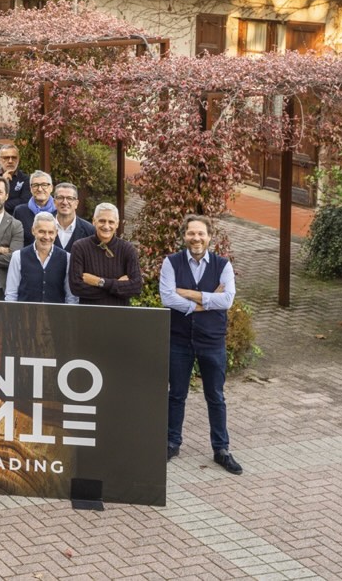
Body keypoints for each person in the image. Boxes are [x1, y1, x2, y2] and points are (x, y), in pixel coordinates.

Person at [160, 214, 242, 474]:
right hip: (179, 340)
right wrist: (207, 301)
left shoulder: (223, 265)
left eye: (201, 234)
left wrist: (188, 294)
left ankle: (221, 449)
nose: (196, 238)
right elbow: (167, 298)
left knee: (215, 396)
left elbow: (227, 300)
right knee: (176, 395)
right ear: (184, 236)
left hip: (212, 341)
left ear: (209, 237)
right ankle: (172, 443)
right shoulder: (171, 262)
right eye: (191, 233)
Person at [68, 203, 142, 307]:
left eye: (111, 222)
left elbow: (136, 287)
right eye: (102, 221)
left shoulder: (128, 249)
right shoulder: (80, 247)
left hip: (120, 314)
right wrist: (118, 286)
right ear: (94, 221)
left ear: (117, 224)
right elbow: (76, 287)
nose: (106, 226)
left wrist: (99, 282)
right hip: (89, 314)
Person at [5, 212, 77, 304]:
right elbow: (11, 295)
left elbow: (71, 297)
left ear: (56, 233)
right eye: (41, 232)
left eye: (50, 232)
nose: (46, 237)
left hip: (56, 312)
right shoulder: (18, 256)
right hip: (25, 312)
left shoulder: (67, 258)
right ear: (33, 230)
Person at [0, 143, 30, 215]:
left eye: (14, 157)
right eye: (6, 158)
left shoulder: (25, 179)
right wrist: (1, 180)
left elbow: (24, 201)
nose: (10, 161)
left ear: (18, 159)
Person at [12, 170, 56, 246]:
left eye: (44, 185)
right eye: (35, 185)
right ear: (30, 189)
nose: (40, 189)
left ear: (51, 188)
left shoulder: (59, 211)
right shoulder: (20, 211)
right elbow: (14, 239)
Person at [53, 182, 95, 253]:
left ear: (76, 203)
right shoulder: (44, 227)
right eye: (60, 198)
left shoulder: (89, 231)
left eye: (69, 198)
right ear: (54, 202)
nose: (65, 202)